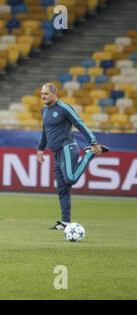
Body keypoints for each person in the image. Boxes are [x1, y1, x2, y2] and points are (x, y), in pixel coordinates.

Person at [37, 83, 109, 230]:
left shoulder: (64, 108)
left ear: (54, 94)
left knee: (71, 178)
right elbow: (45, 131)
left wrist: (93, 142)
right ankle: (65, 222)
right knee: (63, 188)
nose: (43, 96)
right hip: (56, 152)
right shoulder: (44, 110)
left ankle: (88, 154)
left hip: (67, 148)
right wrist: (40, 149)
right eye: (42, 94)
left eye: (46, 93)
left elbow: (79, 123)